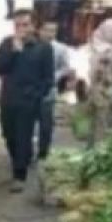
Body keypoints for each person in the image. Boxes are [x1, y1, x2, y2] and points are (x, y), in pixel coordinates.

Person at [0, 9, 54, 192]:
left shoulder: (43, 48)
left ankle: (20, 175)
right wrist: (13, 51)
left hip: (28, 102)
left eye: (25, 25)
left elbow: (48, 79)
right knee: (9, 135)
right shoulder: (6, 44)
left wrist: (37, 96)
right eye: (17, 25)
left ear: (34, 26)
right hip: (8, 99)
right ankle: (21, 160)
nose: (21, 29)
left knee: (23, 137)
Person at [37, 20, 73, 160]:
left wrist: (54, 76)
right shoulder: (33, 46)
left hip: (49, 89)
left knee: (46, 122)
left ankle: (43, 150)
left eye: (53, 30)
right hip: (31, 89)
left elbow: (65, 67)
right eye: (47, 30)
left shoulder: (61, 49)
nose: (50, 34)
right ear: (40, 30)